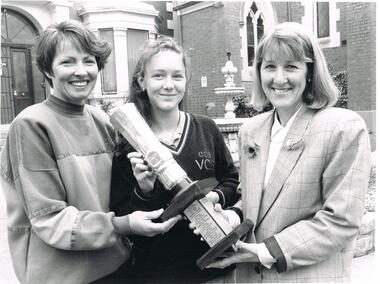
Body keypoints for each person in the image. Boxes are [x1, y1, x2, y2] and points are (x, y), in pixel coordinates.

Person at [0, 20, 179, 284]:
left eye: (89, 61)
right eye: (67, 62)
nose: (81, 71)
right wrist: (123, 225)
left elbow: (120, 196)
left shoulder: (102, 120)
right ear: (47, 69)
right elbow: (50, 219)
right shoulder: (31, 125)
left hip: (116, 268)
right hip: (63, 276)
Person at [207, 22, 371, 282]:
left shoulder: (342, 128)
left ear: (310, 72)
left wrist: (264, 252)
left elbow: (341, 220)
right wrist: (230, 214)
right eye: (270, 66)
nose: (279, 78)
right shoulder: (251, 129)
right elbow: (254, 201)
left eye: (291, 66)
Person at [108, 36, 241, 283]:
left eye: (177, 76)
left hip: (215, 271)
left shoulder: (206, 128)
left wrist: (216, 197)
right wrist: (144, 190)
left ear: (186, 80)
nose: (168, 85)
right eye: (158, 76)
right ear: (142, 81)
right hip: (159, 273)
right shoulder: (128, 146)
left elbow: (232, 181)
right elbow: (123, 218)